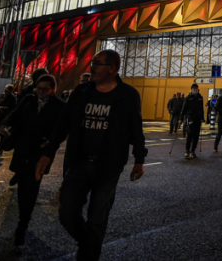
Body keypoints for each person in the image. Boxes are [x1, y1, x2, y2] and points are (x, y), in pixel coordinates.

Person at [35, 49, 146, 261]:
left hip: (108, 167)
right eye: (92, 63)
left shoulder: (128, 95)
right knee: (66, 213)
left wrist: (139, 160)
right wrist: (47, 153)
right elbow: (63, 125)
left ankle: (88, 255)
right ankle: (89, 245)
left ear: (112, 69)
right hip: (78, 163)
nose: (92, 67)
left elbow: (135, 129)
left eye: (98, 63)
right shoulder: (82, 92)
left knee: (97, 219)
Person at [2, 74, 65, 246]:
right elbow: (15, 115)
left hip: (40, 154)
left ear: (52, 89)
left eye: (45, 89)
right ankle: (23, 217)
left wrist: (50, 142)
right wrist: (3, 124)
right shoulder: (29, 99)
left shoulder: (59, 106)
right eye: (38, 88)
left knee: (32, 188)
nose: (41, 92)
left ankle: (22, 226)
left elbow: (60, 130)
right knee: (23, 188)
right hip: (23, 150)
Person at [0, 84, 17, 156]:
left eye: (7, 89)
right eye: (5, 88)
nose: (5, 90)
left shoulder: (12, 98)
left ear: (11, 90)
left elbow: (13, 108)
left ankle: (0, 148)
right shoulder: (1, 96)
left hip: (5, 118)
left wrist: (3, 108)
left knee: (2, 133)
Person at [180, 83, 205, 158]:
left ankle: (193, 151)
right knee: (190, 134)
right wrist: (181, 118)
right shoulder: (188, 97)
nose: (195, 90)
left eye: (196, 88)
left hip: (198, 118)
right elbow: (184, 108)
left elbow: (201, 108)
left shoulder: (200, 97)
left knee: (196, 135)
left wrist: (202, 118)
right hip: (190, 117)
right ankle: (187, 150)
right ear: (191, 89)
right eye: (194, 88)